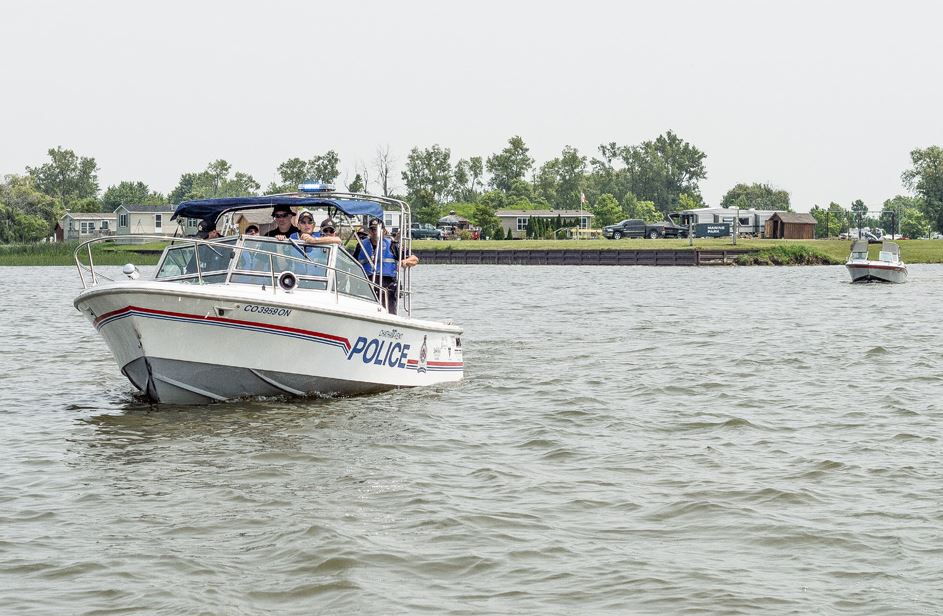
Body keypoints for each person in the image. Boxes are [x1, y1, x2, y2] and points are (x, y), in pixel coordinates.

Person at [352, 219, 419, 314]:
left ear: (383, 230)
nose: (374, 232)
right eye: (372, 229)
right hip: (366, 285)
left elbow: (414, 259)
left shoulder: (393, 245)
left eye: (377, 229)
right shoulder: (361, 246)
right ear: (369, 231)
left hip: (387, 285)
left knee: (388, 310)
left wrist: (405, 261)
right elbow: (351, 263)